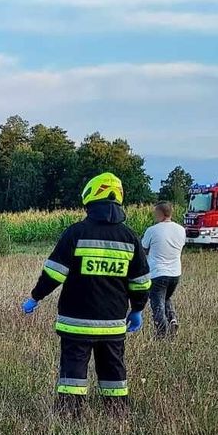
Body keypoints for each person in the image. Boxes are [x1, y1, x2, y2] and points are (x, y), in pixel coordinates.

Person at [21, 172, 151, 415]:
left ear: (90, 198)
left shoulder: (75, 233)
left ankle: (69, 415)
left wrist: (35, 297)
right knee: (114, 372)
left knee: (73, 373)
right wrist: (137, 310)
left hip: (76, 322)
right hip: (112, 323)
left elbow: (54, 274)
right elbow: (141, 282)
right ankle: (117, 414)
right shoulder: (130, 237)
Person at [141, 201, 185, 338]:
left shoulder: (152, 230)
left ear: (160, 213)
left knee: (157, 305)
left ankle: (162, 334)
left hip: (157, 273)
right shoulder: (181, 230)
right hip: (175, 273)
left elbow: (143, 248)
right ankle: (172, 319)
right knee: (166, 297)